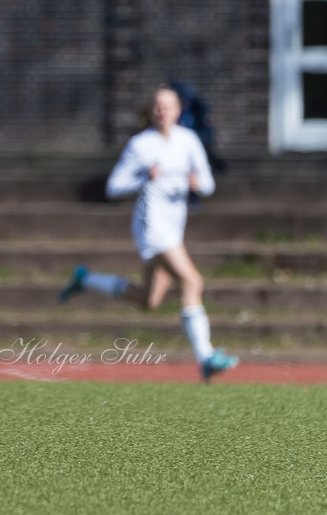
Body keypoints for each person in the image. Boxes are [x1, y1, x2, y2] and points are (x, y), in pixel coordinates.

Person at [58, 85, 238, 381]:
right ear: (151, 111)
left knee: (148, 300)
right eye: (157, 106)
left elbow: (208, 184)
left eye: (168, 106)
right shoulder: (140, 145)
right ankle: (206, 357)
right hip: (152, 227)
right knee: (193, 280)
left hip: (174, 226)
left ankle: (85, 279)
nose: (163, 111)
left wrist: (197, 184)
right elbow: (114, 187)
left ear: (178, 110)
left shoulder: (188, 140)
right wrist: (143, 177)